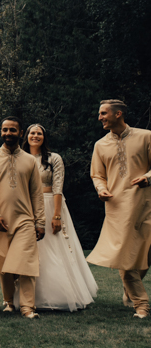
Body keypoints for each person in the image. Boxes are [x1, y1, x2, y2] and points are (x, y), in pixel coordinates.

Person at [20, 124, 97, 311]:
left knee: (54, 249)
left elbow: (58, 187)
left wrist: (56, 215)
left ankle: (61, 294)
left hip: (49, 204)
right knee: (32, 251)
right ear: (26, 136)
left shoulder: (54, 158)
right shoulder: (20, 158)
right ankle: (30, 296)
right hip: (27, 207)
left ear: (44, 137)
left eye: (39, 133)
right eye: (32, 133)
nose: (35, 136)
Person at [87, 99, 151, 318]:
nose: (99, 117)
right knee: (126, 257)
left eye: (103, 113)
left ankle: (129, 288)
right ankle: (141, 305)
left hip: (146, 205)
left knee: (145, 255)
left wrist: (147, 178)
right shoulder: (100, 145)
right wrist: (101, 189)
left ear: (118, 114)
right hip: (117, 208)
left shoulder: (146, 136)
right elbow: (97, 174)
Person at [0, 116, 45, 319]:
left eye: (12, 130)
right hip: (0, 220)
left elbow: (37, 193)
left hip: (25, 219)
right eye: (4, 130)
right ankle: (8, 302)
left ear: (20, 133)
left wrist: (40, 221)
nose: (8, 133)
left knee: (25, 263)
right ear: (1, 132)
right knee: (4, 264)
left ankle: (28, 308)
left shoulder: (30, 160)